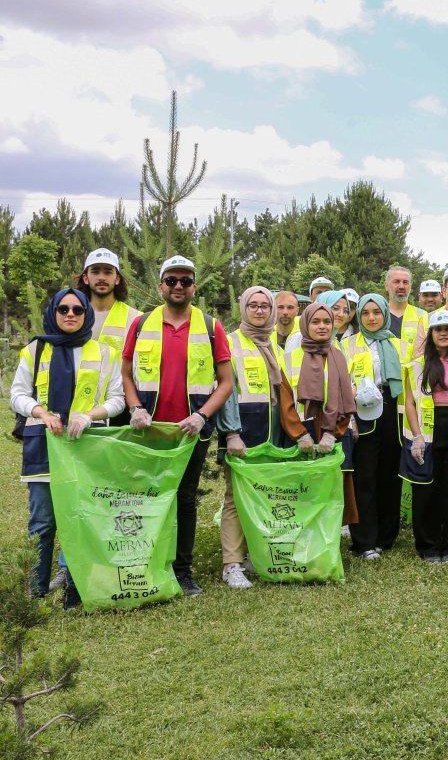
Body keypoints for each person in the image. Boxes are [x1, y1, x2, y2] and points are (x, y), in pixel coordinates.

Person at [123, 256, 235, 597]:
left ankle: (182, 572)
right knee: (148, 498)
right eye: (171, 280)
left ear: (194, 288)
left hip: (190, 433)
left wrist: (202, 416)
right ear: (161, 286)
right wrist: (135, 407)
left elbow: (226, 382)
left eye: (185, 281)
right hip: (150, 430)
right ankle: (146, 565)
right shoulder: (142, 324)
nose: (178, 286)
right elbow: (126, 373)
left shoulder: (210, 326)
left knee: (185, 499)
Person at [11, 289, 125, 603]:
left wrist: (90, 415)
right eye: (63, 309)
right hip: (44, 447)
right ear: (54, 312)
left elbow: (117, 400)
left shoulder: (105, 353)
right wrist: (41, 413)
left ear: (86, 313)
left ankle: (78, 588)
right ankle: (35, 591)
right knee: (43, 521)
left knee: (84, 518)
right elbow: (18, 395)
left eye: (77, 309)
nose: (70, 314)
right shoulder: (34, 351)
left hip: (88, 447)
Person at [213, 286, 288, 590]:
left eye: (264, 306)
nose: (259, 311)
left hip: (272, 432)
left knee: (264, 495)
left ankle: (253, 555)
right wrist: (231, 433)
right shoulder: (230, 343)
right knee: (235, 498)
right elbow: (225, 390)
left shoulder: (276, 348)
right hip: (242, 432)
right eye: (253, 305)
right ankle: (231, 563)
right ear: (243, 309)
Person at [344, 294, 413, 560]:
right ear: (359, 316)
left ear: (385, 314)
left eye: (377, 312)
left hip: (394, 412)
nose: (372, 318)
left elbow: (411, 383)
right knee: (365, 477)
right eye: (366, 313)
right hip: (363, 414)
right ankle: (365, 540)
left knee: (390, 476)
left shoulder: (401, 345)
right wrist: (350, 418)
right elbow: (342, 382)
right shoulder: (348, 344)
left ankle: (386, 536)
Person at [277, 302, 358, 526]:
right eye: (315, 321)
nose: (322, 327)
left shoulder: (340, 358)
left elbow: (346, 400)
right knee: (302, 489)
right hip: (300, 434)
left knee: (332, 490)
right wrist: (300, 434)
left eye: (326, 322)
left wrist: (333, 434)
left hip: (332, 434)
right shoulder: (290, 358)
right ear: (305, 324)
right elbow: (285, 402)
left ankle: (329, 542)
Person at [404, 310, 448, 563]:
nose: (443, 333)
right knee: (426, 490)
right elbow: (410, 404)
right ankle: (429, 547)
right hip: (428, 432)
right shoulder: (418, 366)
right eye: (438, 329)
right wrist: (417, 436)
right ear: (431, 334)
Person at [74, 247, 135, 355]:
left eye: (107, 272)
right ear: (85, 278)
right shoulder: (71, 315)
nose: (101, 277)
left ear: (117, 279)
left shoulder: (135, 318)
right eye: (95, 272)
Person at [384, 265, 426, 348]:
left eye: (405, 282)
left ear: (410, 286)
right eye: (396, 281)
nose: (401, 286)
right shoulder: (378, 315)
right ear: (386, 286)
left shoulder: (422, 316)